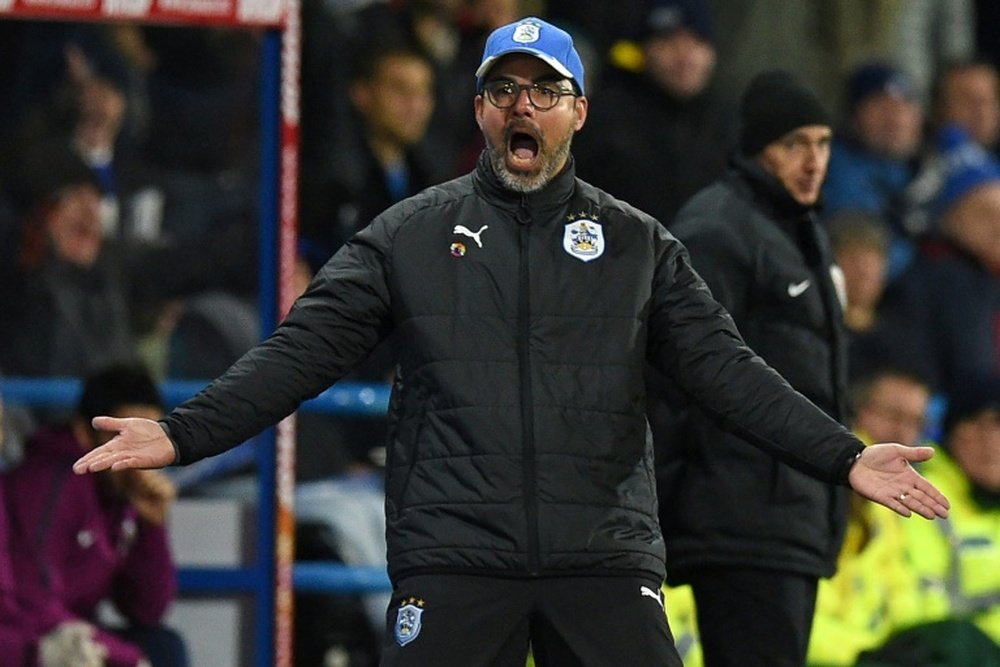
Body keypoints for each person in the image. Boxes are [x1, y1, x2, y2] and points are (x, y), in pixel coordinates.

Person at [73, 18, 949, 667]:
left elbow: (729, 373)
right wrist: (183, 432)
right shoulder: (405, 235)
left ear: (578, 111)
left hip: (602, 556)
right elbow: (297, 353)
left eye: (543, 91)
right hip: (457, 553)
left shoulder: (639, 246)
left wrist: (843, 457)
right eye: (503, 90)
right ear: (482, 110)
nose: (521, 106)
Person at [655, 69, 852, 667]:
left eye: (822, 143)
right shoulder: (718, 229)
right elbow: (677, 376)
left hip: (789, 519)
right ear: (757, 146)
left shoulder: (800, 232)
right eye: (795, 144)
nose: (813, 160)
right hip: (740, 520)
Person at [2, 363, 188, 667]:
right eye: (122, 437)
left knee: (163, 647)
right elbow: (32, 598)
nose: (136, 453)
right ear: (83, 433)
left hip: (73, 632)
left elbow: (147, 608)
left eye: (146, 438)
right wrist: (127, 658)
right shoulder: (56, 480)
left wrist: (153, 524)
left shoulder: (120, 490)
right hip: (33, 635)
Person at [806, 368, 932, 666]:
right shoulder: (815, 479)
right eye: (893, 416)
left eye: (916, 422)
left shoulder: (892, 502)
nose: (904, 434)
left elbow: (899, 589)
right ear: (855, 411)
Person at [573, 0, 736, 227]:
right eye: (669, 42)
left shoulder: (729, 123)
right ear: (644, 49)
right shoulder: (603, 121)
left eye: (696, 42)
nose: (684, 58)